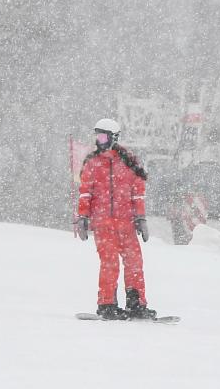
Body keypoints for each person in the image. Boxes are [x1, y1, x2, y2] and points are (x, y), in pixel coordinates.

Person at [74, 118, 156, 320]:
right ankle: (107, 304)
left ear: (113, 138)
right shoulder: (92, 162)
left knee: (134, 263)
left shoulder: (129, 160)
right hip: (103, 225)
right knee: (110, 264)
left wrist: (141, 217)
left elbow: (138, 192)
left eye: (102, 136)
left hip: (126, 224)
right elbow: (85, 192)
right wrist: (82, 216)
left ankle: (136, 303)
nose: (99, 141)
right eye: (97, 136)